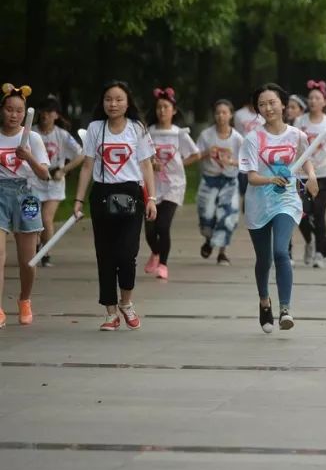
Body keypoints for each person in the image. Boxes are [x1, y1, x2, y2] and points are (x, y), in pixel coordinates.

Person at [73, 80, 158, 330]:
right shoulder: (95, 129)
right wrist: (78, 200)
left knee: (127, 253)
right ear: (102, 102)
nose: (113, 104)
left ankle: (126, 302)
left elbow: (146, 165)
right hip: (102, 194)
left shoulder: (137, 129)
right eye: (108, 99)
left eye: (119, 99)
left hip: (130, 194)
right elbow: (87, 166)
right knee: (105, 255)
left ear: (128, 102)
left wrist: (151, 198)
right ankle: (110, 312)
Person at [240, 83, 318, 333]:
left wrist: (312, 177)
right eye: (262, 104)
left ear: (283, 104)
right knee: (263, 259)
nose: (267, 108)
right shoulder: (253, 139)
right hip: (258, 203)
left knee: (280, 252)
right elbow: (251, 177)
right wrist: (271, 179)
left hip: (286, 201)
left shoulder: (297, 135)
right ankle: (265, 301)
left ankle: (285, 308)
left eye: (272, 102)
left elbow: (307, 161)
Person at [0, 84, 51, 327]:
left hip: (26, 195)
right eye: (9, 109)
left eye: (19, 111)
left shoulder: (32, 137)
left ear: (25, 113)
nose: (13, 114)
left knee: (27, 261)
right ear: (2, 110)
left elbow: (45, 175)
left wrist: (28, 156)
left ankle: (25, 299)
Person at [144, 87, 200, 281]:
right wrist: (151, 164)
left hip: (174, 185)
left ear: (174, 110)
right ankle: (155, 252)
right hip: (152, 185)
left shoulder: (179, 134)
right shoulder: (148, 133)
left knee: (163, 226)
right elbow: (141, 157)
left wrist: (178, 164)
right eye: (159, 107)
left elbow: (195, 154)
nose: (162, 111)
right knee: (149, 229)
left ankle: (163, 264)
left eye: (166, 107)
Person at [294, 79, 326, 268]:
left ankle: (319, 252)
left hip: (324, 175)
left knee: (319, 212)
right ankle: (310, 242)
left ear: (324, 101)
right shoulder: (300, 122)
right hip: (303, 175)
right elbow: (294, 148)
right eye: (311, 98)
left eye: (318, 98)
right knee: (301, 212)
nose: (313, 101)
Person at [30, 95, 84, 267]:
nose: (45, 115)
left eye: (49, 112)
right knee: (34, 219)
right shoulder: (31, 132)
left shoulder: (62, 135)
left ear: (56, 115)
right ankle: (37, 247)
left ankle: (46, 253)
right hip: (34, 181)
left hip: (54, 183)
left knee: (46, 218)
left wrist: (63, 170)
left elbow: (81, 154)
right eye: (43, 111)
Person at [196, 99, 245, 264]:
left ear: (231, 115)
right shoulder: (206, 135)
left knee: (228, 215)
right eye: (217, 113)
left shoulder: (238, 139)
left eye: (224, 112)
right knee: (207, 215)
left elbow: (246, 161)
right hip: (209, 180)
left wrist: (232, 162)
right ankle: (209, 240)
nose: (221, 116)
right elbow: (195, 156)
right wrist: (206, 154)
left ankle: (222, 253)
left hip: (230, 181)